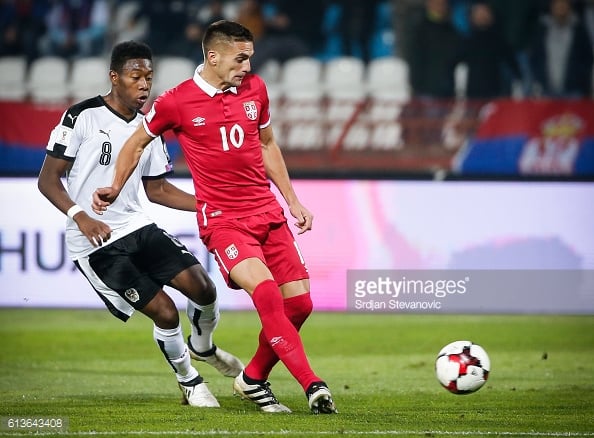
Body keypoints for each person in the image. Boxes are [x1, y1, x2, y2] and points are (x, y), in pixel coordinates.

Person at [92, 20, 337, 415]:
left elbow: (267, 144)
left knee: (301, 305)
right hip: (224, 221)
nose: (247, 66)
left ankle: (252, 377)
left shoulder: (256, 89)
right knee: (268, 294)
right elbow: (136, 143)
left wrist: (292, 200)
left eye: (250, 58)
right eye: (240, 59)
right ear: (213, 56)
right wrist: (117, 186)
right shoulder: (177, 101)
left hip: (267, 213)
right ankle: (313, 385)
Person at [37, 40, 244, 408]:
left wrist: (211, 204)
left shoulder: (150, 129)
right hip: (95, 242)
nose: (144, 85)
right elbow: (48, 180)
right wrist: (80, 215)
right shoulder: (81, 116)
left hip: (136, 225)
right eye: (136, 77)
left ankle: (202, 346)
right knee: (164, 311)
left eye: (149, 77)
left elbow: (158, 189)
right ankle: (189, 381)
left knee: (204, 289)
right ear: (114, 78)